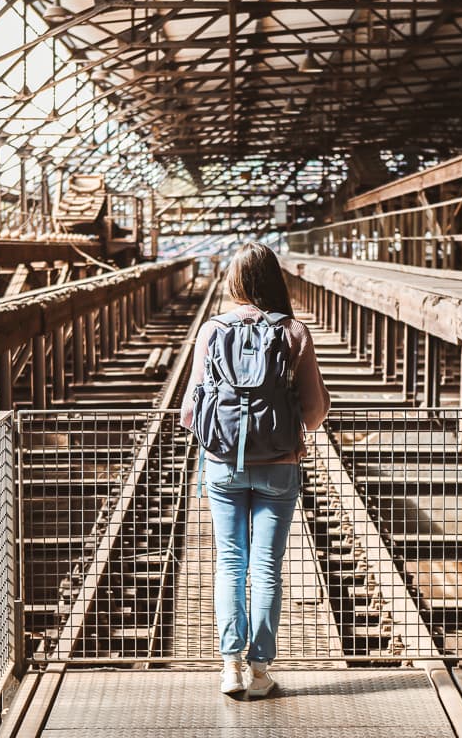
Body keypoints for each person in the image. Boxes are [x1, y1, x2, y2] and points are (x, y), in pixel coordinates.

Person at [180, 242, 330, 698]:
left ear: (235, 282)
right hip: (280, 467)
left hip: (223, 464)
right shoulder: (294, 332)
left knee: (230, 563)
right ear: (274, 281)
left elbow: (189, 411)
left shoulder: (211, 331)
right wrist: (281, 427)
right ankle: (260, 672)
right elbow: (316, 409)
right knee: (266, 567)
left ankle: (229, 667)